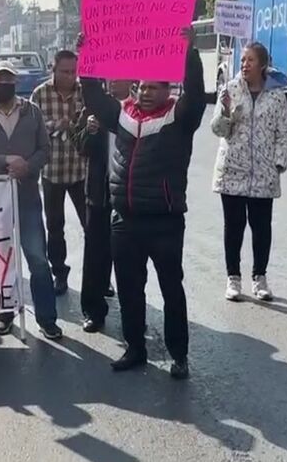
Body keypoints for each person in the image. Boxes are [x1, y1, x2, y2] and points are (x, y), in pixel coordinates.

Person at [81, 35, 207, 380]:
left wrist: (188, 53)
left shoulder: (179, 118)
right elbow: (93, 97)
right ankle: (135, 348)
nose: (146, 91)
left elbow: (196, 96)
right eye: (141, 86)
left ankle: (178, 355)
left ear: (168, 90)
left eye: (154, 87)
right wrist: (87, 55)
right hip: (124, 221)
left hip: (164, 222)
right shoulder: (122, 115)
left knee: (171, 290)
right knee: (129, 289)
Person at [0, 61, 61, 340]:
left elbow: (45, 149)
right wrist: (6, 160)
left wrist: (28, 167)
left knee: (38, 261)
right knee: (1, 261)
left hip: (28, 198)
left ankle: (47, 319)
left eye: (8, 79)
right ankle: (4, 314)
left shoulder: (32, 113)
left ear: (15, 81)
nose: (3, 83)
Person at [211, 43, 287, 303]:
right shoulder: (230, 89)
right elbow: (218, 130)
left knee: (261, 227)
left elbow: (283, 133)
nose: (245, 64)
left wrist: (279, 162)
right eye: (243, 60)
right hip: (233, 169)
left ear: (263, 65)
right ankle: (233, 278)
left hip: (264, 174)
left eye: (251, 60)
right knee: (233, 227)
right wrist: (226, 112)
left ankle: (260, 277)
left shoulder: (277, 96)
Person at [75, 79, 132, 333]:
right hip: (98, 192)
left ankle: (133, 317)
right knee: (95, 255)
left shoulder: (137, 108)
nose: (115, 79)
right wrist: (89, 131)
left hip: (128, 195)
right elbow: (80, 146)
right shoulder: (92, 108)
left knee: (128, 258)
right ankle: (93, 311)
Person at [31, 50, 87, 293]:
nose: (70, 76)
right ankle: (60, 274)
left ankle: (99, 276)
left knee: (92, 225)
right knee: (55, 226)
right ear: (53, 69)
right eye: (65, 71)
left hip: (80, 170)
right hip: (52, 171)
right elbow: (31, 129)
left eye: (73, 71)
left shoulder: (84, 92)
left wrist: (80, 125)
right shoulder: (40, 94)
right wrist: (56, 125)